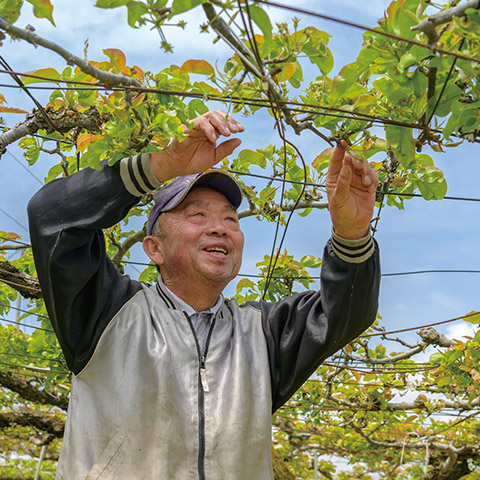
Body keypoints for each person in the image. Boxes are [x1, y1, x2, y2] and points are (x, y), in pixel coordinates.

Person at [28, 110, 380, 480]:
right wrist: (159, 165)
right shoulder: (105, 312)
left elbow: (344, 312)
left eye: (231, 219)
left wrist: (352, 234)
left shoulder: (263, 334)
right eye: (198, 215)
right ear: (154, 249)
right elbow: (51, 217)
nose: (220, 229)